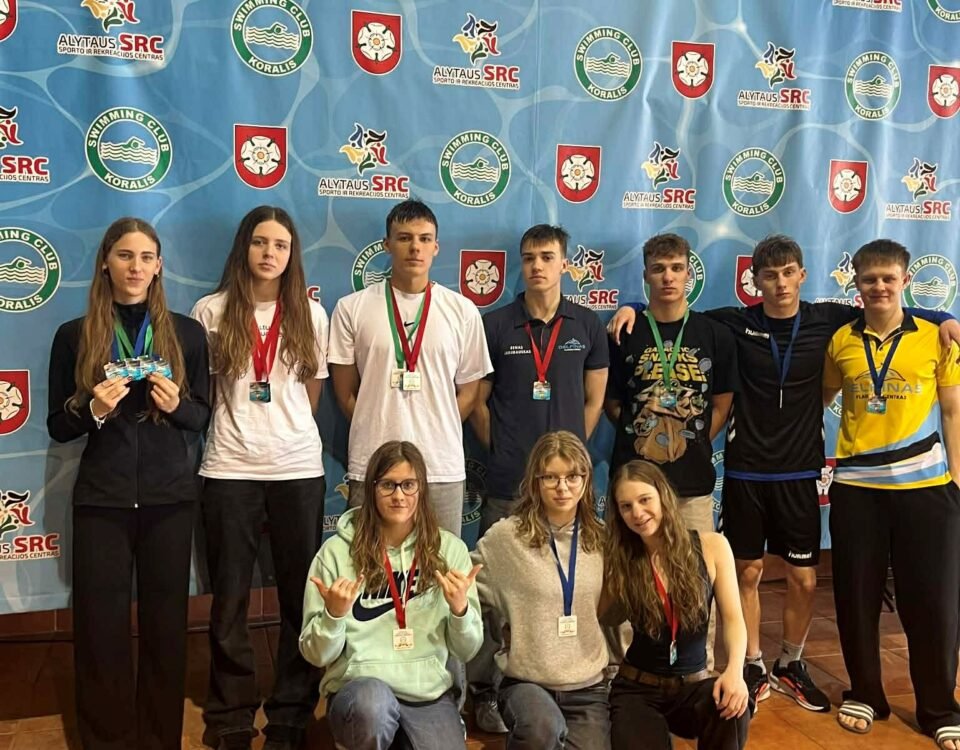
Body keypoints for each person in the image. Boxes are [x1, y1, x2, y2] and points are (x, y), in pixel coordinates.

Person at [607, 234, 960, 713]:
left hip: (799, 471)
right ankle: (753, 664)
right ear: (754, 280)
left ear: (802, 275)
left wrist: (943, 316)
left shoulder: (829, 320)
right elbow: (672, 315)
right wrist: (630, 305)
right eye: (769, 275)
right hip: (746, 471)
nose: (779, 283)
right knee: (747, 572)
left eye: (788, 273)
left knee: (805, 578)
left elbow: (886, 306)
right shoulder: (732, 323)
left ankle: (791, 663)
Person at [47, 217, 210, 750]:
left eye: (145, 257)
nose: (135, 267)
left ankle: (160, 739)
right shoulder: (74, 335)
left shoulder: (187, 333)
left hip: (169, 500)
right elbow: (57, 425)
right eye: (124, 255)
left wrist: (177, 406)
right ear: (105, 262)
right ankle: (105, 741)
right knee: (100, 630)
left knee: (166, 629)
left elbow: (202, 416)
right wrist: (92, 409)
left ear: (159, 266)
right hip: (103, 501)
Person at [191, 206, 329, 750]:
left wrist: (282, 432)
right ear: (243, 248)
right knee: (230, 598)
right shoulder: (211, 311)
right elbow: (204, 393)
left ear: (292, 255)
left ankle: (292, 709)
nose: (269, 253)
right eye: (260, 242)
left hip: (298, 468)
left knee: (300, 596)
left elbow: (312, 393)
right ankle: (230, 713)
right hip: (229, 468)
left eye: (280, 245)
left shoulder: (311, 314)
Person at [468, 224, 608, 733]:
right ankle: (483, 691)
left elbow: (594, 401)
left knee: (563, 589)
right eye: (529, 258)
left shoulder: (587, 325)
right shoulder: (495, 324)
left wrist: (565, 459)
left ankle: (568, 680)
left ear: (565, 264)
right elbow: (477, 403)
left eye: (547, 257)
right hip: (509, 483)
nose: (537, 266)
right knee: (492, 597)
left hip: (569, 493)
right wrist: (508, 452)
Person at [823, 239, 960, 749]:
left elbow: (952, 411)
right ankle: (865, 693)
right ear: (856, 285)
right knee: (854, 597)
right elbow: (823, 395)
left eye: (888, 278)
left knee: (934, 602)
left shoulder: (938, 337)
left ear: (905, 281)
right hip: (857, 489)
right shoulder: (840, 341)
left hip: (926, 488)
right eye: (869, 279)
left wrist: (957, 479)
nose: (878, 287)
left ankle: (939, 707)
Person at [605, 232, 738, 670]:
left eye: (677, 268)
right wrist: (646, 437)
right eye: (659, 269)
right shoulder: (625, 331)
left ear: (688, 275)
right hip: (634, 481)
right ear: (645, 275)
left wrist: (690, 439)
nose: (668, 277)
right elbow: (612, 403)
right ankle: (624, 669)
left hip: (691, 481)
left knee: (698, 577)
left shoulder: (714, 334)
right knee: (629, 574)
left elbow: (721, 404)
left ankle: (699, 668)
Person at [299, 440, 483, 750]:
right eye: (388, 485)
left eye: (408, 484)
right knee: (372, 706)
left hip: (427, 694)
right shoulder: (335, 553)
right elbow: (316, 655)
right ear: (371, 489)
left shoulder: (450, 550)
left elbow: (467, 650)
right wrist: (333, 616)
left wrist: (460, 611)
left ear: (421, 489)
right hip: (361, 692)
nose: (399, 495)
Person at [329, 199, 492, 536]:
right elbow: (344, 393)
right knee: (367, 560)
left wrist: (437, 424)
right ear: (387, 245)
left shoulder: (462, 311)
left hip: (440, 465)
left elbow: (470, 392)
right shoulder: (351, 308)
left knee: (441, 560)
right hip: (373, 464)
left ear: (436, 247)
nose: (415, 247)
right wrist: (377, 425)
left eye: (424, 238)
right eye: (404, 238)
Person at [471, 431, 610, 749]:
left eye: (572, 477)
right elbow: (465, 582)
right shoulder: (507, 538)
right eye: (550, 477)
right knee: (541, 730)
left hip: (587, 687)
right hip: (527, 683)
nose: (562, 487)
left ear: (586, 480)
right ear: (535, 481)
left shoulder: (602, 539)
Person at [604, 460, 750, 750]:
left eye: (645, 500)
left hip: (692, 687)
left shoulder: (712, 546)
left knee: (733, 707)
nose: (637, 513)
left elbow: (734, 620)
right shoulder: (620, 558)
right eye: (626, 506)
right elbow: (604, 615)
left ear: (663, 496)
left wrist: (735, 672)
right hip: (637, 689)